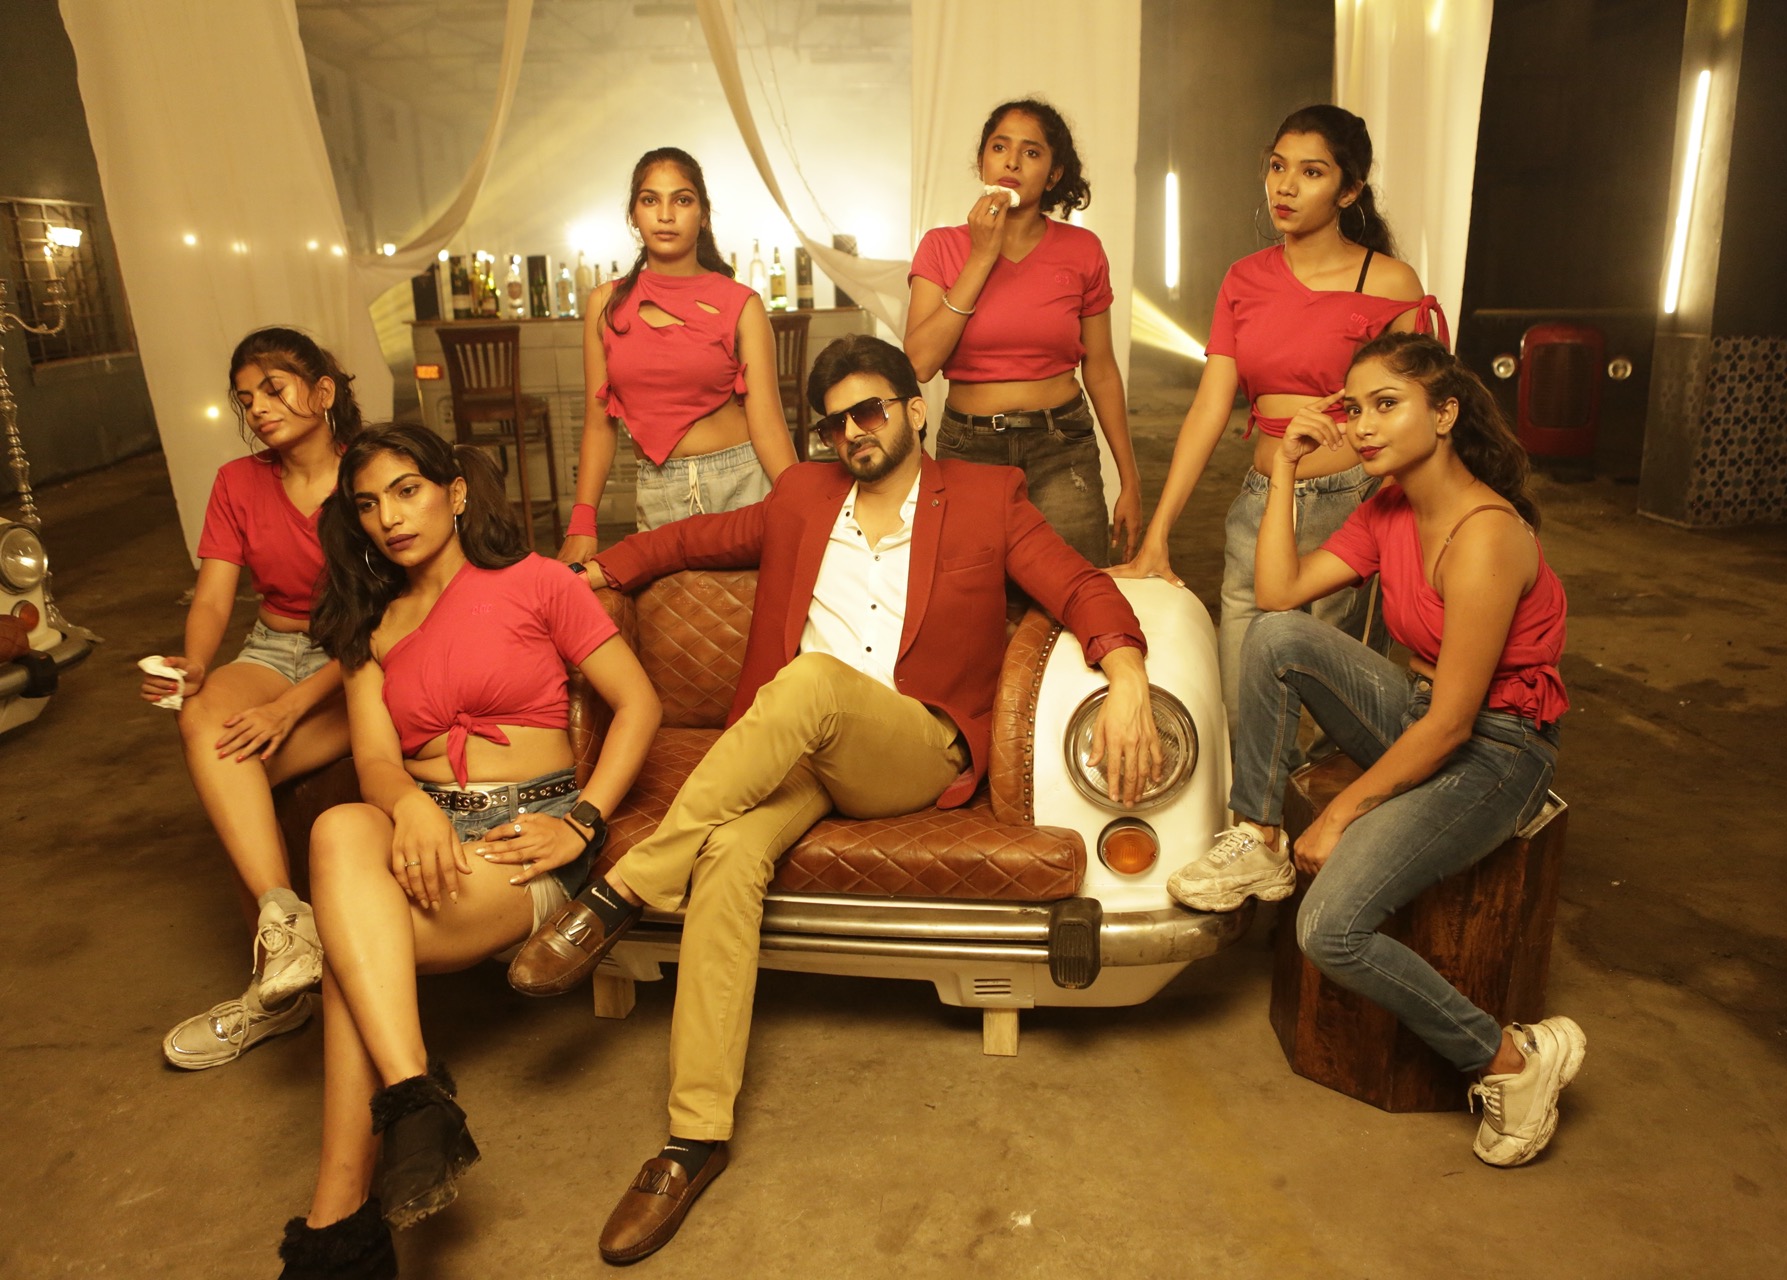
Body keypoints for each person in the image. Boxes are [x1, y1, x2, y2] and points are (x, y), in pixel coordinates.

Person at [507, 334, 1160, 1264]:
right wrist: (599, 572)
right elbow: (691, 539)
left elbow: (1079, 583)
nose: (853, 431)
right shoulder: (803, 497)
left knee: (811, 682)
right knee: (730, 855)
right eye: (834, 423)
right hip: (801, 758)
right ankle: (693, 1139)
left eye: (870, 410)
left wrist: (1126, 672)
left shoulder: (987, 497)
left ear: (914, 410)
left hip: (913, 745)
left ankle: (618, 892)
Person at [1167, 333, 1583, 1168]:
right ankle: (1258, 836)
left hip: (1497, 748)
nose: (1361, 426)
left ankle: (1509, 1060)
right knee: (1278, 636)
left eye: (1386, 405)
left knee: (1329, 929)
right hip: (1422, 711)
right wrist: (1286, 470)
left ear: (1446, 413)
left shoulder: (1486, 536)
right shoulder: (1390, 506)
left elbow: (1455, 725)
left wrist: (1341, 815)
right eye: (1354, 408)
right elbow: (1279, 593)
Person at [273, 425, 660, 1277]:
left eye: (406, 490)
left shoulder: (539, 581)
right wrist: (410, 807)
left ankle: (341, 1220)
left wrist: (583, 822)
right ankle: (414, 1098)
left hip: (524, 839)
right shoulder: (369, 623)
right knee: (338, 826)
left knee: (347, 959)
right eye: (367, 504)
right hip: (418, 829)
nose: (388, 517)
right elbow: (376, 761)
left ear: (453, 493)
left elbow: (638, 705)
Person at [1113, 104, 1444, 733]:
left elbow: (1423, 416)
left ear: (1349, 190)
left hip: (1355, 505)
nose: (1285, 187)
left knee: (1337, 717)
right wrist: (1159, 533)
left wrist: (1419, 527)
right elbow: (1210, 407)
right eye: (1277, 167)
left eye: (1311, 172)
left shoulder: (1390, 282)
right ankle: (1253, 802)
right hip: (1261, 501)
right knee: (1243, 701)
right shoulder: (1244, 279)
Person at [143, 327, 363, 1070]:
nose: (258, 409)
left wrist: (290, 709)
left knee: (236, 771)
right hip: (273, 646)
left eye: (274, 388)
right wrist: (195, 667)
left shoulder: (369, 473)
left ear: (323, 392)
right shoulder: (238, 481)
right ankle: (285, 927)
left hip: (357, 659)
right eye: (246, 399)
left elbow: (385, 621)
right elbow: (213, 598)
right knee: (204, 720)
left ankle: (275, 998)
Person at [905, 98, 1143, 567]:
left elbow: (1101, 369)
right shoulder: (941, 247)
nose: (1012, 161)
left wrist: (1130, 480)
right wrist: (981, 257)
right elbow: (920, 363)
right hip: (969, 449)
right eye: (1000, 147)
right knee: (971, 593)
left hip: (1062, 447)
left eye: (1031, 152)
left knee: (1074, 589)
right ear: (982, 161)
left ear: (1053, 175)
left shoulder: (1083, 250)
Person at [559, 146, 797, 559]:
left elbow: (769, 427)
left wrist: (802, 508)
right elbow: (598, 425)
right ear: (633, 215)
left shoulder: (741, 303)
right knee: (664, 605)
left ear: (703, 215)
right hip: (658, 491)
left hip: (742, 486)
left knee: (755, 602)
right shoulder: (605, 305)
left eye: (682, 200)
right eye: (650, 200)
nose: (666, 215)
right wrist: (582, 524)